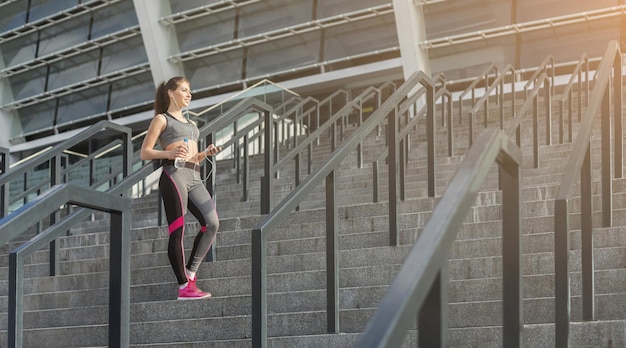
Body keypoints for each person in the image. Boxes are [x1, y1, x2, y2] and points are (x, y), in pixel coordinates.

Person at [140, 76, 222, 300]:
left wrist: (206, 154)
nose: (189, 95)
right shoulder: (161, 119)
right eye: (184, 90)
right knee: (178, 230)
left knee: (212, 223)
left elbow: (193, 157)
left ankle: (190, 272)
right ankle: (183, 287)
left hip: (194, 175)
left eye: (190, 91)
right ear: (171, 93)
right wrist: (168, 153)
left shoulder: (192, 124)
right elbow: (145, 152)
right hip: (174, 174)